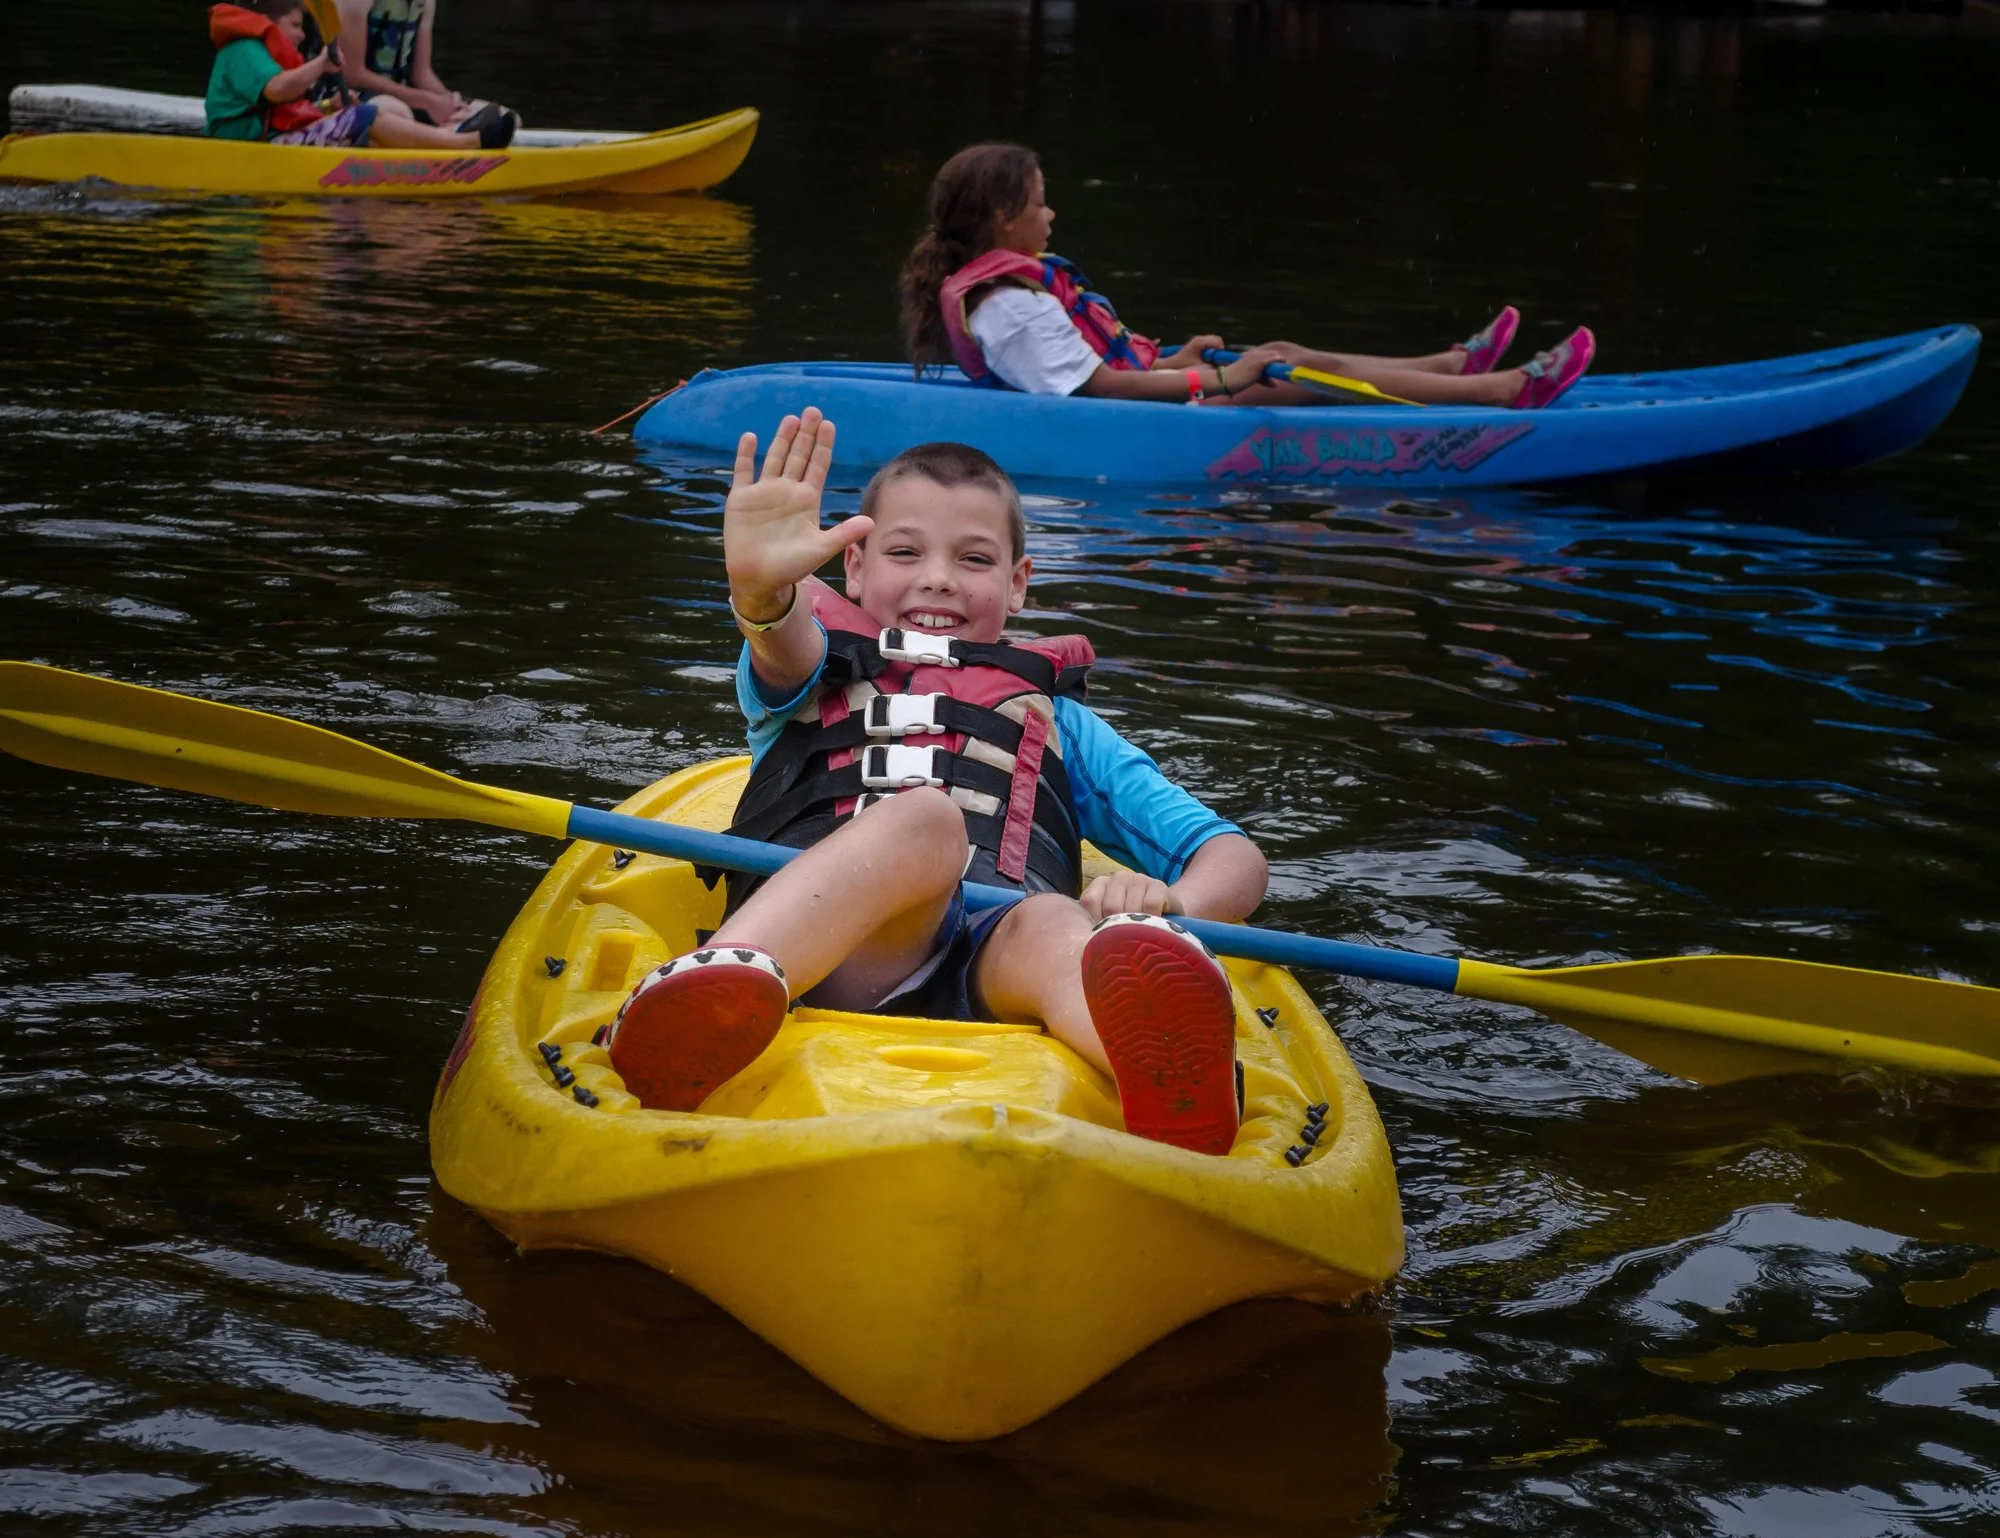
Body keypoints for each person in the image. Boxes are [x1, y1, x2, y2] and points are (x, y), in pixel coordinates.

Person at [603, 408, 1271, 1156]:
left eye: (976, 561)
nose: (940, 579)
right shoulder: (809, 666)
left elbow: (1235, 859)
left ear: (1019, 584)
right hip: (830, 955)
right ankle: (712, 1000)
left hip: (983, 971)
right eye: (904, 551)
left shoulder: (1060, 725)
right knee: (925, 821)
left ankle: (1174, 1083)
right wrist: (762, 597)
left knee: (1053, 924)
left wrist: (1171, 907)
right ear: (852, 568)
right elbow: (780, 639)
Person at [900, 141, 1595, 410]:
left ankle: (1451, 365)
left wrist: (1179, 360)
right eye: (1041, 200)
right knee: (1286, 375)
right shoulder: (1007, 305)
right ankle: (1503, 391)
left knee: (1287, 355)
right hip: (1131, 422)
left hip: (1138, 406)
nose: (1051, 214)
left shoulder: (1013, 290)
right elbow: (1099, 387)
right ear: (1001, 214)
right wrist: (1225, 377)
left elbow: (1087, 366)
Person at [203, 0, 511, 150]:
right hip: (252, 147)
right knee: (367, 115)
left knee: (375, 110)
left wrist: (328, 107)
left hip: (273, 140)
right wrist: (321, 64)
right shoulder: (244, 48)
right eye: (296, 26)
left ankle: (428, 155)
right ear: (266, 20)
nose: (300, 36)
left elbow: (281, 107)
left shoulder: (264, 50)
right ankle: (462, 146)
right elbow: (275, 91)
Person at [332, 0, 509, 135]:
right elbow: (352, 74)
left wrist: (451, 103)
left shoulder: (425, 2)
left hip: (403, 96)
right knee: (398, 112)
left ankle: (448, 136)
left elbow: (421, 74)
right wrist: (427, 102)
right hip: (344, 96)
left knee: (504, 117)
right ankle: (452, 141)